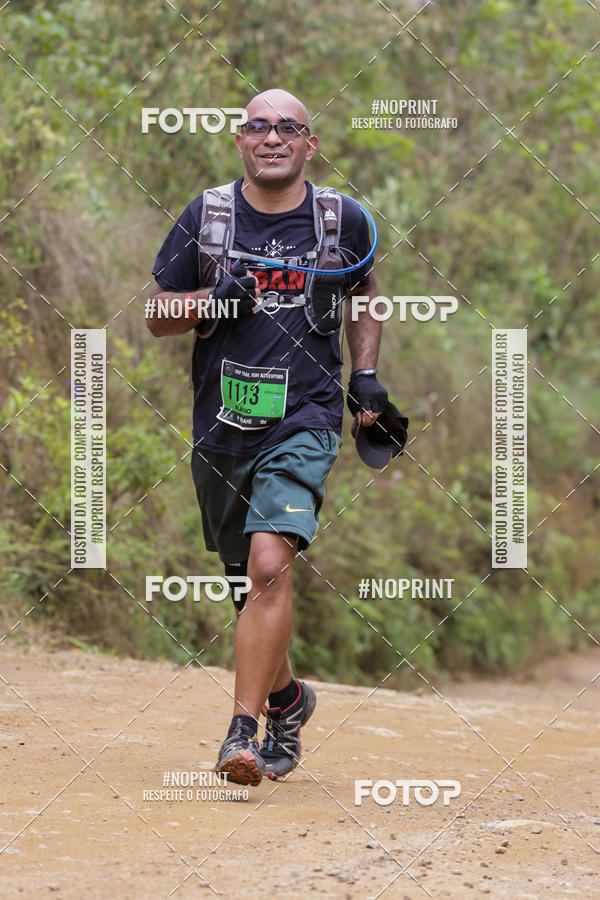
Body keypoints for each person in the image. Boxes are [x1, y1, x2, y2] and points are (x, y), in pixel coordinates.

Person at [146, 88, 390, 787]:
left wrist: (366, 377)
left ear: (310, 144)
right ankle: (288, 698)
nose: (273, 136)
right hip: (223, 426)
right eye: (259, 126)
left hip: (304, 420)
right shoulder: (209, 215)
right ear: (240, 141)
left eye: (289, 127)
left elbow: (366, 294)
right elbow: (157, 312)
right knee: (248, 587)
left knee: (269, 568)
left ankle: (240, 734)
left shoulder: (342, 219)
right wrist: (215, 299)